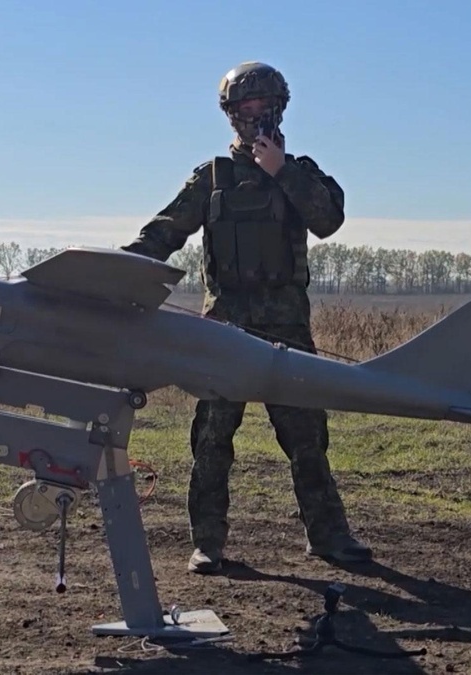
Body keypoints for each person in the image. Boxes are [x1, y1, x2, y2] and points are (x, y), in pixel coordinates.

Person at [119, 61, 371, 573]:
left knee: (306, 437)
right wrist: (117, 273)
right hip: (224, 326)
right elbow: (164, 232)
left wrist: (282, 171)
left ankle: (329, 536)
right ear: (231, 114)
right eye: (244, 107)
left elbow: (328, 220)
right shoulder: (212, 177)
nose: (254, 115)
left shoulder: (300, 172)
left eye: (262, 106)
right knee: (212, 440)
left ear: (278, 108)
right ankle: (208, 543)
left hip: (287, 328)